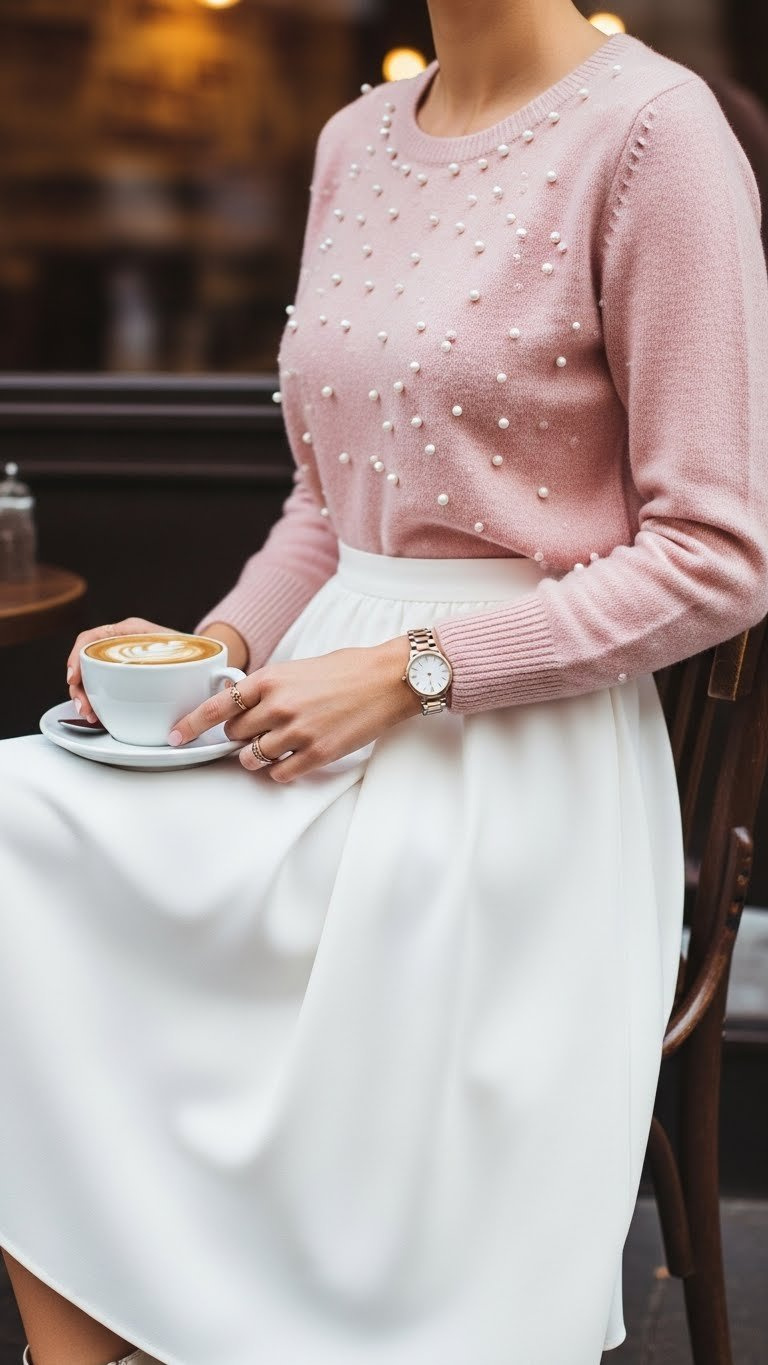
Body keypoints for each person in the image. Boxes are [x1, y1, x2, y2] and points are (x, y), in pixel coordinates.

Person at [2, 2, 768, 1363]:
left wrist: (413, 673)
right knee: (18, 822)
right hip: (310, 708)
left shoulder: (659, 137)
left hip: (523, 757)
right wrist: (211, 654)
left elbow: (717, 558)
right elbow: (325, 503)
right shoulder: (352, 140)